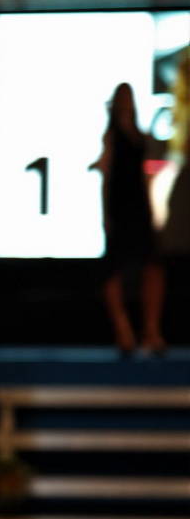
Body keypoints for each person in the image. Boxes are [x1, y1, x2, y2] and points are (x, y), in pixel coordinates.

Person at [95, 83, 167, 356]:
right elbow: (106, 174)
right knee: (114, 269)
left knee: (151, 267)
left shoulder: (139, 135)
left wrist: (152, 209)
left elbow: (146, 176)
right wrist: (105, 213)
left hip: (139, 206)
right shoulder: (111, 136)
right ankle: (123, 329)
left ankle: (151, 330)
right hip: (120, 206)